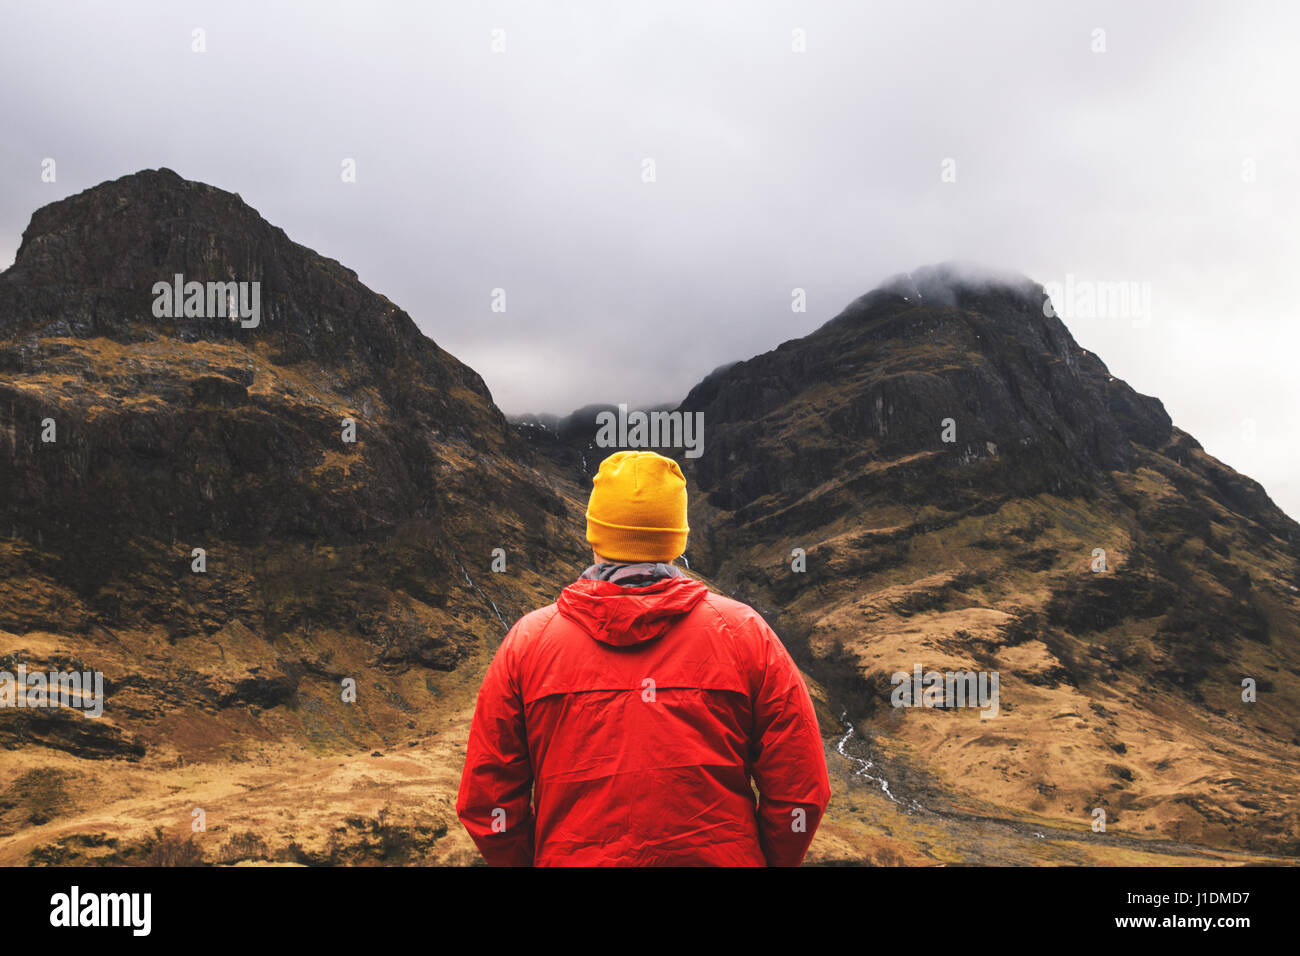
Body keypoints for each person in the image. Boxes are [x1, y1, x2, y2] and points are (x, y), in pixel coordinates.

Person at [455, 450, 831, 866]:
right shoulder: (744, 632)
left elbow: (487, 804)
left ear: (595, 534)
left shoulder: (528, 642)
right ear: (676, 538)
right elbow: (801, 789)